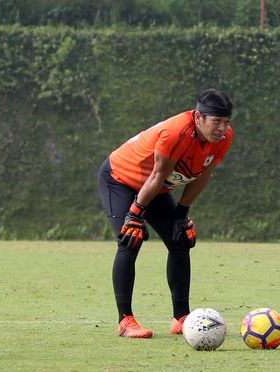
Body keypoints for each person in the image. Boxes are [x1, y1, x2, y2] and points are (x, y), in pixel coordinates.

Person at [97, 88, 233, 338]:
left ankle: (181, 317)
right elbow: (158, 175)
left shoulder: (223, 139)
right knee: (131, 239)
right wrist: (135, 214)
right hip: (120, 179)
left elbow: (202, 175)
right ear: (199, 117)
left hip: (154, 187)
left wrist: (182, 214)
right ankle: (125, 321)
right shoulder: (176, 132)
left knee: (179, 239)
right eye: (217, 122)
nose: (222, 129)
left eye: (226, 122)